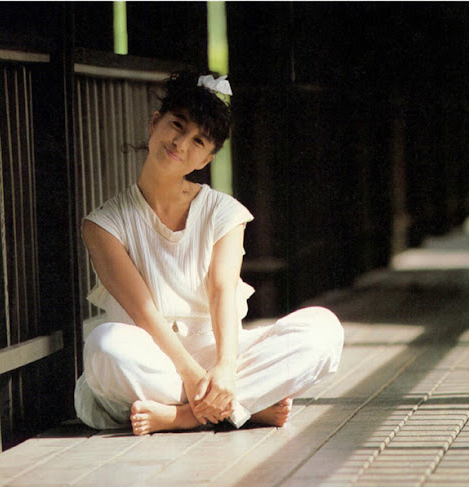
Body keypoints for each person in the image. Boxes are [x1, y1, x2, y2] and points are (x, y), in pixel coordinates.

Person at [74, 71, 344, 435]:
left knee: (323, 330)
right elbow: (143, 312)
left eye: (198, 140)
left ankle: (184, 416)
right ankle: (241, 407)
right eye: (177, 125)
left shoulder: (223, 212)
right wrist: (190, 373)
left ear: (207, 159)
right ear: (155, 123)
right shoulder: (103, 224)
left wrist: (226, 369)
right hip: (148, 358)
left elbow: (221, 292)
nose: (181, 143)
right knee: (104, 347)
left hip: (215, 356)